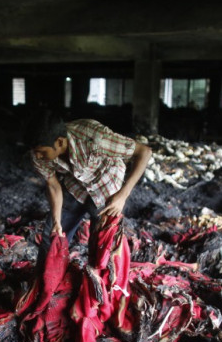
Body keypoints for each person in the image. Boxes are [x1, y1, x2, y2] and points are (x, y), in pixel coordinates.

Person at [24, 110, 152, 264]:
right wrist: (57, 221)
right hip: (75, 185)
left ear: (59, 142)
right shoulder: (38, 154)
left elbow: (144, 152)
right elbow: (53, 186)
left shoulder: (94, 137)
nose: (37, 156)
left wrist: (122, 196)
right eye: (35, 152)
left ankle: (93, 283)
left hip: (106, 185)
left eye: (41, 152)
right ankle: (47, 283)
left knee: (101, 245)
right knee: (52, 236)